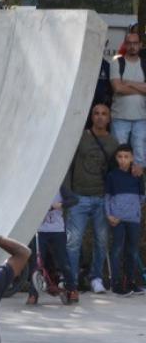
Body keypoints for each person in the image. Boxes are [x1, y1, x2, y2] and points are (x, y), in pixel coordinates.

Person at [62, 102, 118, 293]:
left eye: (104, 114)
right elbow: (67, 164)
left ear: (109, 118)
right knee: (73, 241)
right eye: (96, 113)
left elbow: (114, 172)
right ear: (91, 116)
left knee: (102, 241)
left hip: (102, 198)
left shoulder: (113, 142)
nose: (100, 117)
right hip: (79, 197)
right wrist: (68, 193)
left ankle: (96, 278)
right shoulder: (81, 137)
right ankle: (72, 280)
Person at [104, 144, 146, 296]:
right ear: (116, 158)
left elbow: (142, 197)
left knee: (132, 251)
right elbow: (107, 198)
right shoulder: (112, 176)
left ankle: (131, 282)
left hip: (133, 219)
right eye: (120, 157)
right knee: (117, 250)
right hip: (117, 220)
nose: (123, 160)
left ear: (132, 158)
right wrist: (109, 215)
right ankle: (116, 283)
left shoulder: (137, 175)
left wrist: (133, 209)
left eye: (126, 157)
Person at [26, 193, 78, 305]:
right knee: (36, 263)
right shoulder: (37, 189)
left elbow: (74, 199)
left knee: (63, 262)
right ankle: (33, 294)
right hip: (39, 232)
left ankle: (72, 289)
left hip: (57, 231)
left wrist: (61, 204)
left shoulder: (60, 188)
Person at [109, 31, 146, 166]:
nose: (132, 46)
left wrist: (129, 83)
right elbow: (118, 88)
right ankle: (120, 184)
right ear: (125, 44)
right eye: (129, 43)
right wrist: (141, 87)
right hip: (120, 118)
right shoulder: (117, 62)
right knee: (119, 158)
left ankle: (139, 185)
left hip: (141, 118)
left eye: (135, 43)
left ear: (140, 45)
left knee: (140, 158)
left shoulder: (144, 64)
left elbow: (123, 86)